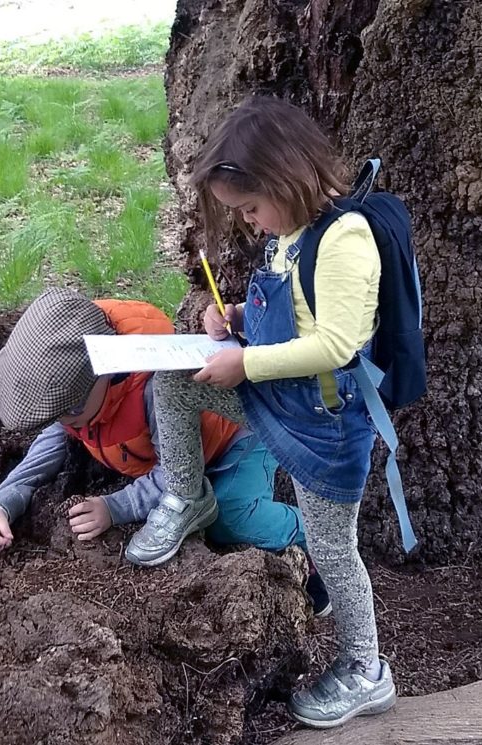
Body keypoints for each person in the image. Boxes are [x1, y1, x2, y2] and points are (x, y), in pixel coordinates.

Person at [132, 96, 395, 729]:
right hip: (281, 399)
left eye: (251, 208)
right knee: (174, 382)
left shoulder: (344, 238)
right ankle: (186, 497)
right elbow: (293, 315)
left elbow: (336, 342)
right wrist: (238, 320)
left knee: (333, 552)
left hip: (326, 424)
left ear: (286, 179)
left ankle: (366, 669)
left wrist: (244, 364)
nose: (250, 223)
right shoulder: (289, 234)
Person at [0, 288, 331, 615]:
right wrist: (4, 501)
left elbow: (176, 472)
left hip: (235, 438)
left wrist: (114, 507)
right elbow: (52, 442)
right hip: (179, 456)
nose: (64, 424)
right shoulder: (77, 391)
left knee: (230, 519)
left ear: (104, 376)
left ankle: (321, 536)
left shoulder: (151, 389)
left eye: (67, 413)